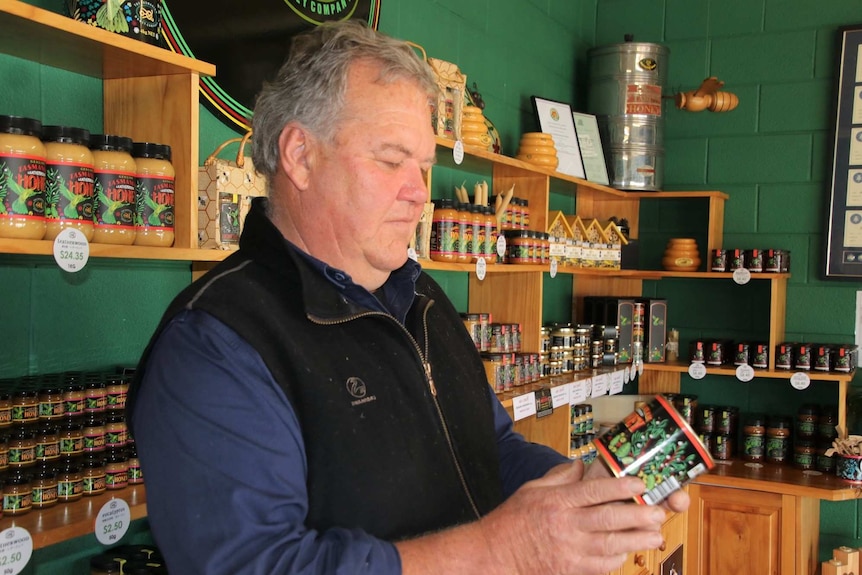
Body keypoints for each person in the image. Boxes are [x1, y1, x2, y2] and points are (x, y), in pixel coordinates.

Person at [128, 20, 688, 575]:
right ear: (299, 155)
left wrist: (581, 492)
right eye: (392, 161)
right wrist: (505, 551)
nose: (420, 194)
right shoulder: (217, 345)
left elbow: (490, 449)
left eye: (423, 167)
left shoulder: (421, 295)